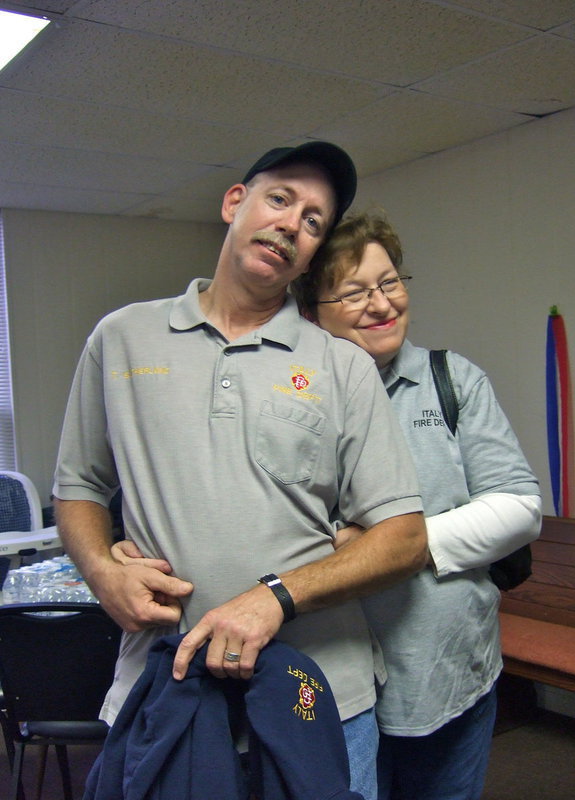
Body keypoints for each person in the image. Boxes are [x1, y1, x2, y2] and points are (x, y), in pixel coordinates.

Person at [52, 143, 427, 799]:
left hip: (320, 699)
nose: (291, 224)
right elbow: (78, 487)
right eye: (280, 199)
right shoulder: (122, 339)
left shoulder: (342, 366)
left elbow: (404, 537)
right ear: (235, 203)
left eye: (314, 221)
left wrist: (273, 597)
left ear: (312, 254)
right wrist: (101, 571)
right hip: (164, 690)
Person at [291, 211, 542, 800]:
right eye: (353, 292)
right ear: (311, 313)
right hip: (332, 676)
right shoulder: (293, 398)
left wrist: (395, 546)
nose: (380, 304)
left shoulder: (454, 381)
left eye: (390, 283)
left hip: (447, 671)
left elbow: (519, 506)